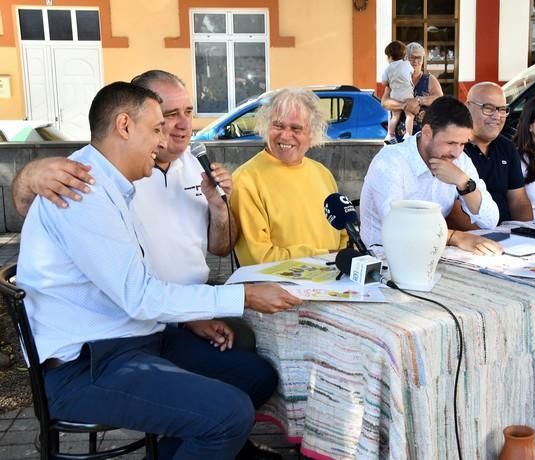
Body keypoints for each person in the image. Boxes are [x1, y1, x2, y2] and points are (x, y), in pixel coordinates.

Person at [16, 81, 302, 459]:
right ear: (124, 125)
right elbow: (139, 296)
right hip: (84, 365)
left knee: (255, 376)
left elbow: (138, 288)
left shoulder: (112, 183)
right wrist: (245, 295)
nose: (163, 138)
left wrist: (186, 318)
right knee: (229, 413)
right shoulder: (81, 188)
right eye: (156, 128)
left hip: (132, 337)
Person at [10, 70, 260, 352]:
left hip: (185, 307)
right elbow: (32, 208)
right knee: (229, 382)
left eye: (188, 112)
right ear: (128, 124)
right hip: (134, 317)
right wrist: (29, 175)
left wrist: (220, 209)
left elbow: (221, 248)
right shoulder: (106, 172)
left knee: (250, 356)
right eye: (166, 118)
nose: (183, 125)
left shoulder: (196, 166)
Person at [360, 95, 502, 256]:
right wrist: (455, 237)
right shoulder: (390, 161)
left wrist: (463, 182)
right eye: (450, 143)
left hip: (435, 254)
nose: (456, 152)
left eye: (463, 144)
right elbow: (398, 226)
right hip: (385, 257)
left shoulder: (460, 160)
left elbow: (490, 220)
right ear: (427, 132)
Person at [231, 88, 348, 266]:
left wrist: (341, 257)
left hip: (334, 284)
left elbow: (344, 234)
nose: (285, 135)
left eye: (296, 128)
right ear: (265, 126)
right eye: (278, 125)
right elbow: (257, 258)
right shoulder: (245, 180)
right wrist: (326, 257)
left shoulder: (323, 174)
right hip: (278, 289)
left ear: (312, 133)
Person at [462, 82, 533, 224]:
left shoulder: (507, 147)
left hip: (508, 235)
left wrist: (528, 233)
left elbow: (519, 201)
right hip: (470, 237)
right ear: (468, 107)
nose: (497, 116)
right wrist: (484, 239)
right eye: (488, 108)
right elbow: (451, 208)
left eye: (502, 109)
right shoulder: (454, 147)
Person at [381, 42, 443, 141]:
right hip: (398, 138)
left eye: (419, 58)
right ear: (405, 58)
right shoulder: (395, 78)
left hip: (423, 139)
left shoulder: (429, 79)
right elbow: (385, 102)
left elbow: (439, 99)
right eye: (412, 57)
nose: (416, 61)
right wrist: (404, 105)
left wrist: (419, 100)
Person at [381, 40, 415, 143]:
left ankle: (390, 135)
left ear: (390, 56)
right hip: (407, 93)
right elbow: (411, 72)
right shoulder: (406, 64)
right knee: (410, 115)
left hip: (395, 94)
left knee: (395, 116)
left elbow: (384, 82)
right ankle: (408, 134)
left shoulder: (388, 69)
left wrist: (390, 83)